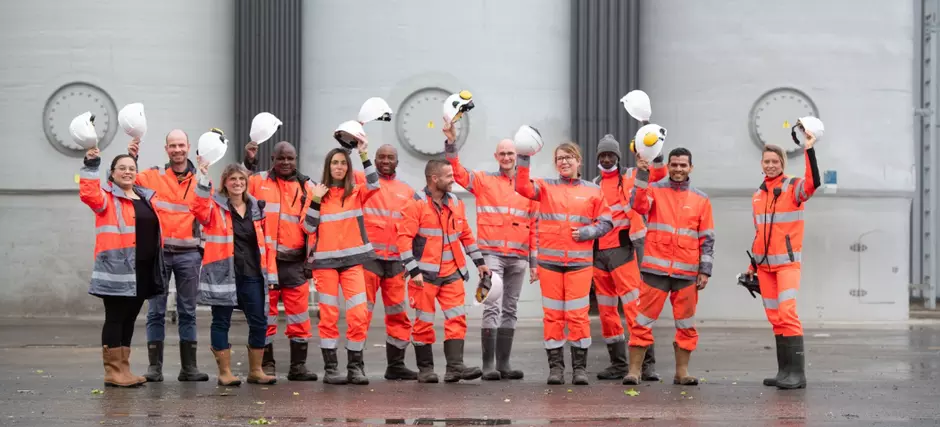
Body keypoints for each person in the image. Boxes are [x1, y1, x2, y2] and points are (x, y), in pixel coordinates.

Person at [442, 120, 538, 381]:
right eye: (502, 153)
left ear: (517, 156)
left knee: (510, 308)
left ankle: (504, 364)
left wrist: (534, 263)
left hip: (518, 257)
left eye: (511, 153)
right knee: (492, 306)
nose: (507, 158)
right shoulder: (484, 181)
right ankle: (488, 365)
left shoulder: (528, 187)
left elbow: (534, 226)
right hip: (491, 255)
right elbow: (458, 172)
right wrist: (451, 143)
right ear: (496, 156)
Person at [515, 142, 614, 386]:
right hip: (550, 264)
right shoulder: (545, 186)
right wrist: (524, 157)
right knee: (553, 317)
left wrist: (588, 232)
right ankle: (556, 369)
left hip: (579, 264)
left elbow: (607, 222)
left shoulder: (593, 190)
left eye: (569, 157)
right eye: (560, 158)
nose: (564, 161)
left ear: (579, 161)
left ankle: (579, 370)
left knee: (578, 316)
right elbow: (521, 186)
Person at [397, 159, 491, 383]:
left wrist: (479, 262)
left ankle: (455, 367)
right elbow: (403, 239)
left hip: (452, 273)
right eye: (449, 176)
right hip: (424, 277)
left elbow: (466, 235)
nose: (453, 180)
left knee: (457, 318)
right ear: (434, 178)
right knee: (423, 322)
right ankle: (426, 369)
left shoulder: (456, 203)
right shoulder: (416, 204)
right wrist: (413, 270)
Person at [80, 148, 167, 388]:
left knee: (129, 319)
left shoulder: (145, 197)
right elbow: (88, 193)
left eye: (131, 168)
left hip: (143, 269)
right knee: (116, 318)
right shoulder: (105, 197)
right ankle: (113, 371)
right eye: (122, 168)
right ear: (112, 173)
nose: (127, 172)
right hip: (117, 269)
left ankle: (124, 369)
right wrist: (91, 164)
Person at [627, 147, 714, 386]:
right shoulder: (654, 190)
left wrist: (705, 270)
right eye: (674, 164)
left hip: (687, 273)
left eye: (683, 165)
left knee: (686, 325)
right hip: (655, 271)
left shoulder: (701, 199)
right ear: (668, 166)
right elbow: (637, 204)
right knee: (642, 321)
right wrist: (642, 174)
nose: (678, 169)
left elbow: (707, 238)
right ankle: (634, 371)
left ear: (690, 168)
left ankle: (682, 373)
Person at [128, 132, 209, 382]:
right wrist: (132, 157)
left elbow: (207, 213)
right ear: (166, 149)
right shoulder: (152, 176)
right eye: (172, 145)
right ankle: (155, 368)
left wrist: (205, 177)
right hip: (159, 255)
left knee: (188, 311)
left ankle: (189, 368)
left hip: (189, 255)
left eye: (181, 145)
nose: (177, 149)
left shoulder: (201, 179)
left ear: (188, 147)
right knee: (155, 311)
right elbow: (124, 181)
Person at [190, 159, 278, 386]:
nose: (238, 183)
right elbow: (198, 209)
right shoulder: (214, 207)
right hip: (223, 273)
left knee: (259, 321)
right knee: (221, 321)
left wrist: (271, 274)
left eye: (241, 179)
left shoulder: (257, 208)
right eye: (233, 179)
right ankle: (225, 372)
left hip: (253, 273)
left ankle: (256, 370)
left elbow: (267, 244)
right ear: (225, 183)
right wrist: (202, 177)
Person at [747, 132, 819, 390]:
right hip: (765, 267)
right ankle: (784, 372)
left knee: (787, 313)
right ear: (761, 164)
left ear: (782, 164)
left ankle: (797, 374)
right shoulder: (758, 195)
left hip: (787, 264)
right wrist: (752, 266)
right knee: (775, 317)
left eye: (775, 161)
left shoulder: (793, 187)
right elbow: (759, 233)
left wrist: (809, 149)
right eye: (766, 161)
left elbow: (813, 183)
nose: (770, 165)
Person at [302, 138, 377, 385]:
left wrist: (364, 155)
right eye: (334, 163)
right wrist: (315, 199)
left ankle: (355, 367)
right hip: (325, 265)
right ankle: (331, 369)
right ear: (328, 166)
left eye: (343, 163)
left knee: (359, 314)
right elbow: (307, 227)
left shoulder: (356, 192)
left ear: (348, 167)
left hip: (352, 262)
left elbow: (374, 184)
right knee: (329, 315)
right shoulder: (316, 194)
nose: (339, 167)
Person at [243, 141, 319, 381]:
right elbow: (236, 186)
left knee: (300, 316)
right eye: (281, 158)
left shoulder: (308, 187)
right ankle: (266, 364)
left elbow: (315, 225)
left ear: (296, 159)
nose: (286, 162)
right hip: (267, 263)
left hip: (295, 263)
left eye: (290, 158)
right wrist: (248, 162)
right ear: (272, 159)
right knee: (266, 315)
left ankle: (298, 367)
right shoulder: (257, 181)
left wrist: (311, 262)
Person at [591, 135, 661, 382]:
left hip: (624, 251)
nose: (606, 159)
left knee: (634, 309)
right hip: (599, 255)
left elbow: (658, 174)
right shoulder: (594, 184)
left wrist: (654, 152)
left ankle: (647, 364)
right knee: (607, 313)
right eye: (603, 155)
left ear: (618, 157)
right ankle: (618, 364)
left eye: (611, 155)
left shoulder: (632, 175)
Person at [357, 144, 420, 380]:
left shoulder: (408, 192)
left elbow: (414, 227)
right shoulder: (363, 182)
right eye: (381, 157)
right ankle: (356, 365)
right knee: (361, 313)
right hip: (369, 260)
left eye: (390, 157)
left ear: (397, 161)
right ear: (374, 160)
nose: (385, 161)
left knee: (398, 313)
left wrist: (411, 260)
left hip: (396, 262)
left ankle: (396, 365)